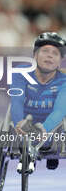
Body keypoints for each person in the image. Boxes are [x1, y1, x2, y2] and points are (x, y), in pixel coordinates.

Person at [11, 32, 66, 172]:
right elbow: (16, 102)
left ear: (60, 61)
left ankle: (50, 149)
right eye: (45, 51)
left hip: (51, 128)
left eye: (55, 53)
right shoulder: (20, 73)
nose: (49, 55)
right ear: (35, 54)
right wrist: (19, 124)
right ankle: (28, 151)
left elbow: (59, 111)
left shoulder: (64, 81)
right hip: (26, 123)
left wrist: (44, 130)